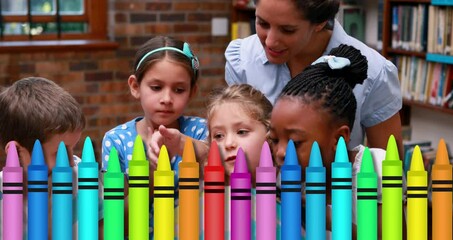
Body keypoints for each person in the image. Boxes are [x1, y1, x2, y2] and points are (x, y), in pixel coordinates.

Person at [225, 0, 403, 157]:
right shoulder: (242, 60)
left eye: (287, 30)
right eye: (262, 23)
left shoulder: (374, 72)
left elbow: (390, 168)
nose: (270, 41)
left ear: (321, 22)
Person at [268, 44, 398, 239]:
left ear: (339, 138)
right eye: (274, 139)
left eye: (295, 141)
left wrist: (331, 220)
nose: (280, 152)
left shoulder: (375, 168)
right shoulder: (284, 178)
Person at [101, 36, 209, 238]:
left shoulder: (200, 130)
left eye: (179, 89)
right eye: (156, 87)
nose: (167, 99)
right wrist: (148, 177)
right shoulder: (116, 140)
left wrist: (182, 145)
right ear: (135, 86)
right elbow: (116, 223)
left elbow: (219, 166)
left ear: (192, 91)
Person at [0, 76, 103, 239]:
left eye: (73, 147)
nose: (70, 161)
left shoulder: (83, 180)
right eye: (59, 152)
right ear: (17, 153)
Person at [206, 83, 276, 239]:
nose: (229, 143)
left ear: (270, 136)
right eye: (218, 136)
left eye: (241, 132)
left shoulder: (294, 201)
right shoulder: (203, 208)